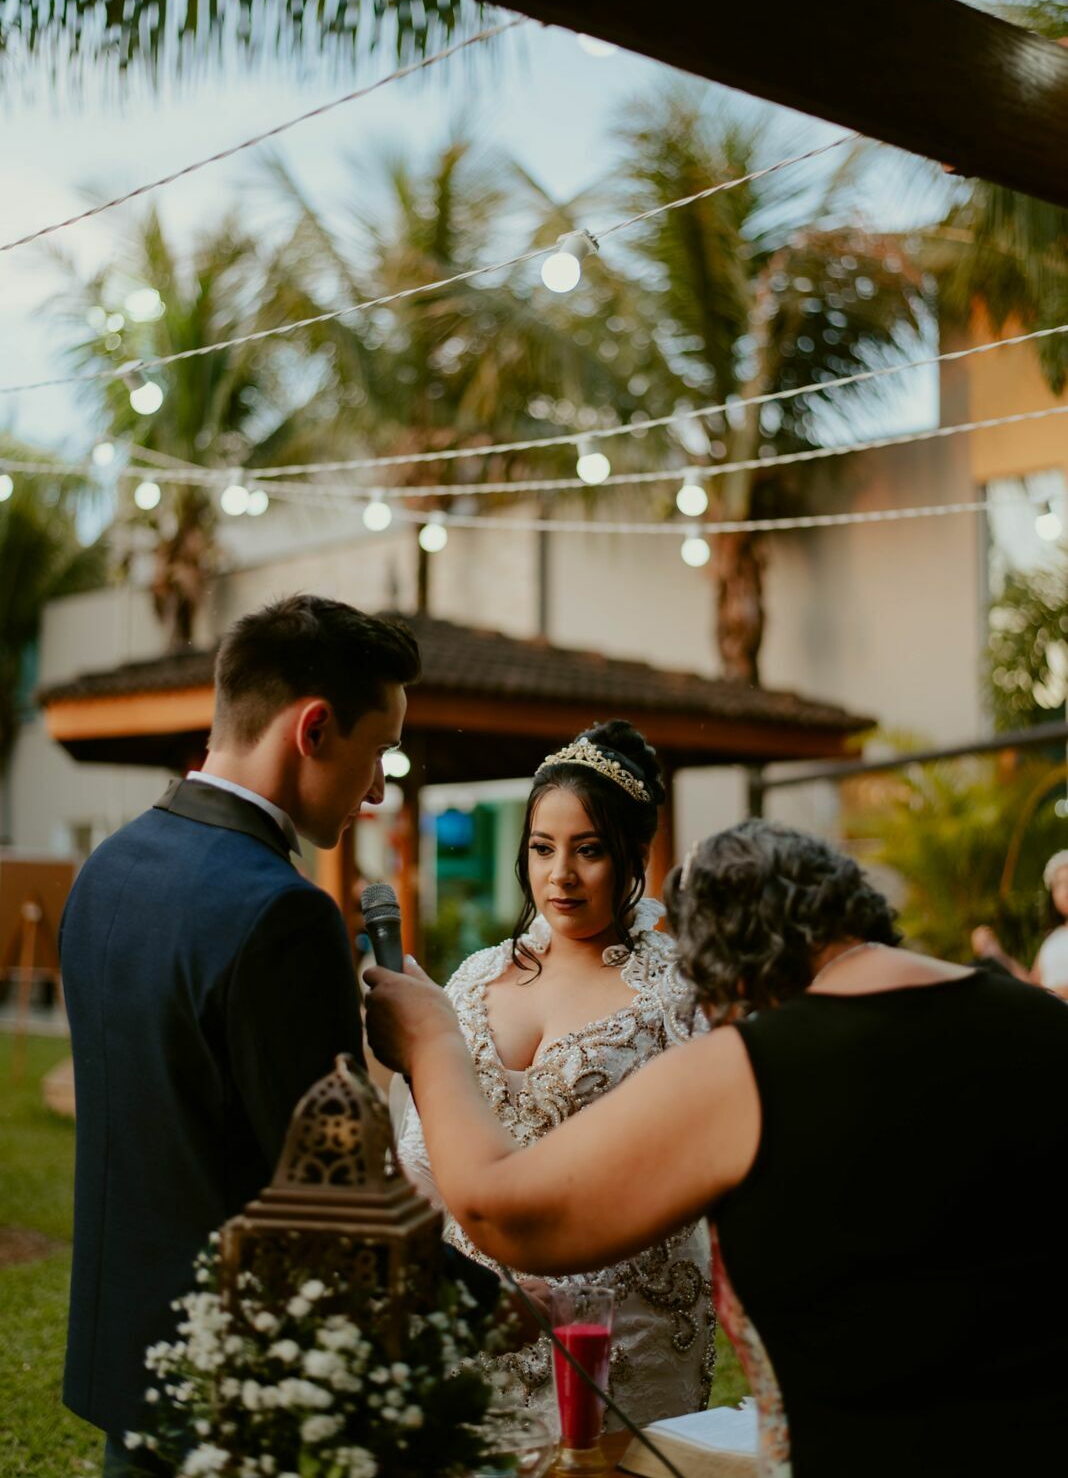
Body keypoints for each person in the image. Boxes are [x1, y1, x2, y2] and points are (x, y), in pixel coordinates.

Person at [366, 819, 1068, 1478]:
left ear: (732, 974)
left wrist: (433, 1045)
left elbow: (508, 1216)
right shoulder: (1045, 1025)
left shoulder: (754, 1068)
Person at [60, 595, 439, 1476]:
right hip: (249, 1386)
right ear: (313, 728)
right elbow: (327, 1194)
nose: (381, 789)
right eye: (379, 752)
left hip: (130, 1362)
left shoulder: (108, 868)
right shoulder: (283, 914)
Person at [395, 721, 715, 1428]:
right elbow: (422, 1149)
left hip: (620, 1327)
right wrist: (464, 1281)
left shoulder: (681, 992)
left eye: (589, 851)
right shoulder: (475, 977)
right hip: (481, 1309)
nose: (559, 875)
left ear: (634, 853)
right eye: (542, 849)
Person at [972, 848, 1068, 996]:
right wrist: (996, 954)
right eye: (1059, 883)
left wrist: (1050, 997)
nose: (1066, 888)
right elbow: (1032, 986)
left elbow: (1041, 994)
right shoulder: (1052, 941)